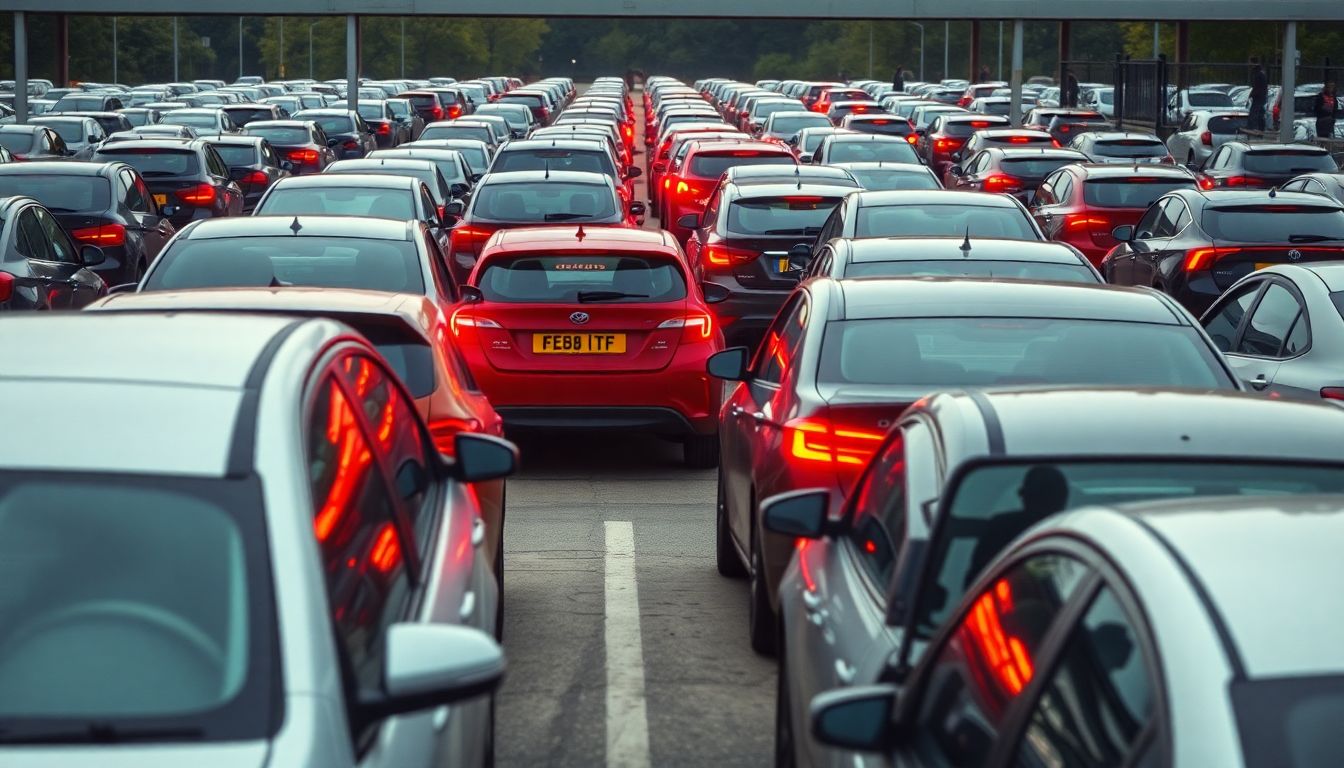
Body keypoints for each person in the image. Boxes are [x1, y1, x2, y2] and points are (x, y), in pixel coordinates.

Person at [1248, 58, 1269, 131]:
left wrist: (1252, 94)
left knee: (1255, 112)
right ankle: (1260, 128)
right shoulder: (1260, 73)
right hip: (1260, 96)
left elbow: (1257, 86)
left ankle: (1254, 128)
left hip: (1258, 96)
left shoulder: (1258, 73)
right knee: (1260, 113)